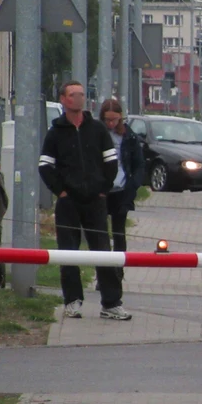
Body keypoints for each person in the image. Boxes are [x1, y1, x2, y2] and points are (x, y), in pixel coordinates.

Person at [39, 81, 130, 321]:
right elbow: (45, 165)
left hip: (96, 202)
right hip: (68, 202)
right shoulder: (55, 132)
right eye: (73, 95)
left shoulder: (97, 129)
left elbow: (111, 161)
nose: (79, 98)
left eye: (81, 94)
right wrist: (61, 192)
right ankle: (72, 301)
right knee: (68, 253)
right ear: (63, 99)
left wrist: (103, 189)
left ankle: (111, 303)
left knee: (103, 251)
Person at [99, 98, 145, 281]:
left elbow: (139, 164)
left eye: (115, 119)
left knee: (119, 233)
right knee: (101, 235)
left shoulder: (129, 136)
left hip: (121, 190)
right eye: (107, 120)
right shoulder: (98, 134)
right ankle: (103, 275)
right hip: (101, 191)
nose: (111, 123)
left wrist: (133, 186)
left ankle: (117, 273)